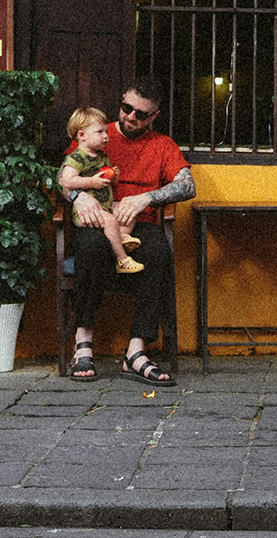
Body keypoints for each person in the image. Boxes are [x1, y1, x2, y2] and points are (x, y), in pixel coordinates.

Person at [66, 78, 194, 385]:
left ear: (154, 116)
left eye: (141, 114)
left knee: (158, 252)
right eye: (127, 108)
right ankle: (82, 339)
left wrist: (146, 198)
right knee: (92, 248)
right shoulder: (96, 133)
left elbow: (187, 185)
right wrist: (77, 196)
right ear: (122, 100)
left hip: (143, 222)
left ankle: (136, 350)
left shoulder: (162, 145)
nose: (131, 117)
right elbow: (62, 176)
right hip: (98, 217)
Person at [59, 106, 144, 274]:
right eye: (100, 132)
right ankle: (122, 259)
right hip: (87, 213)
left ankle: (121, 237)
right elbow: (67, 180)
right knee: (111, 221)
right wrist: (91, 182)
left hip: (105, 205)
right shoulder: (77, 157)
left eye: (106, 131)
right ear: (82, 135)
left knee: (128, 209)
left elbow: (107, 179)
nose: (106, 136)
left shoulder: (101, 155)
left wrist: (114, 176)